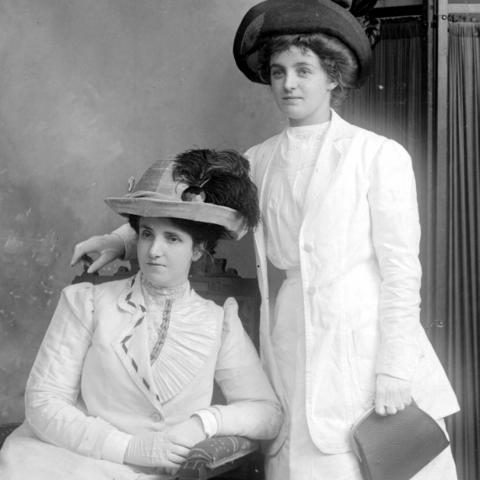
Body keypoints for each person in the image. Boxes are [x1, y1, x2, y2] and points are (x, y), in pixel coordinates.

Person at [68, 1, 460, 478]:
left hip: (367, 339)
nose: (288, 84)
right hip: (291, 338)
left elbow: (402, 272)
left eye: (303, 70)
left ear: (333, 77)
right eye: (278, 72)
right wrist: (121, 241)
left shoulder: (378, 156)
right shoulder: (259, 160)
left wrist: (394, 368)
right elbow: (192, 210)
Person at [0, 149, 282, 480]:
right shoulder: (87, 302)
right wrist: (128, 448)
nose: (154, 250)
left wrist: (204, 423)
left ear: (198, 250)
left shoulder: (219, 323)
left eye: (172, 238)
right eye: (147, 233)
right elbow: (43, 402)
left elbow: (267, 412)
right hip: (68, 460)